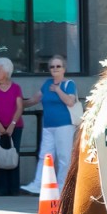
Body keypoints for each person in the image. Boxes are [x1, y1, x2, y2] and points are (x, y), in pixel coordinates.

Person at [0, 55, 24, 196]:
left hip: (15, 126)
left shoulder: (16, 88)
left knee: (13, 155)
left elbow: (19, 107)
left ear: (6, 71)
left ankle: (14, 189)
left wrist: (12, 124)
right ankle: (0, 188)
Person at [39, 55, 80, 189]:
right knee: (45, 156)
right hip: (48, 126)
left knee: (64, 157)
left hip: (65, 125)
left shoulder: (69, 84)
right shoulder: (46, 84)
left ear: (64, 68)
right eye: (52, 66)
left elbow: (70, 101)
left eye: (58, 66)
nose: (55, 69)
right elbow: (35, 98)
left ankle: (63, 186)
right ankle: (40, 184)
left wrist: (57, 90)